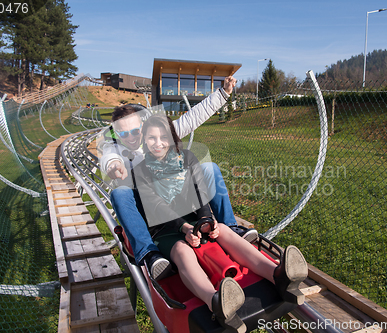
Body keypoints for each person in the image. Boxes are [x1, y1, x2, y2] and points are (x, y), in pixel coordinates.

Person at [133, 114, 308, 333]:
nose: (158, 143)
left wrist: (208, 220)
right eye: (151, 138)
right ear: (144, 141)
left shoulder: (186, 158)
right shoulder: (140, 171)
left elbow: (200, 193)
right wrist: (184, 228)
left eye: (163, 136)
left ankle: (277, 274)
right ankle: (214, 300)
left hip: (194, 221)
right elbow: (156, 206)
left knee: (223, 230)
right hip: (166, 228)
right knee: (181, 250)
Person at [99, 77, 258, 280]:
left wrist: (223, 94)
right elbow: (109, 158)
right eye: (123, 133)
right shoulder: (116, 149)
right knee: (119, 193)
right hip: (146, 206)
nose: (130, 137)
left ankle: (231, 226)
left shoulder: (156, 135)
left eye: (135, 131)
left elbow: (192, 118)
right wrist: (114, 166)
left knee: (209, 167)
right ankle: (148, 252)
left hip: (173, 197)